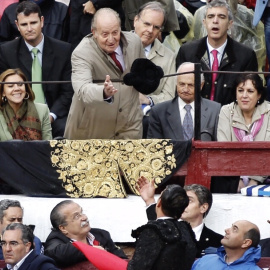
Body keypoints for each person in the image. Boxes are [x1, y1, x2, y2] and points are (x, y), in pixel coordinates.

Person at [64, 8, 145, 140]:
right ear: (94, 33)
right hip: (92, 130)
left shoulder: (135, 42)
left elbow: (142, 72)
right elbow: (83, 89)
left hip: (129, 127)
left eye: (115, 32)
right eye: (105, 34)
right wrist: (103, 92)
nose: (111, 39)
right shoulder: (81, 53)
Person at [0, 1, 73, 138]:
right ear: (17, 26)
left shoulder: (63, 50)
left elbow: (68, 91)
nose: (29, 28)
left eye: (33, 23)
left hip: (54, 115)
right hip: (17, 114)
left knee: (66, 131)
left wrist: (50, 116)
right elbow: (4, 90)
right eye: (24, 24)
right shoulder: (6, 51)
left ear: (42, 21)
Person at [176, 0, 258, 106]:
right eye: (210, 16)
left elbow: (250, 97)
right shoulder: (187, 52)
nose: (215, 21)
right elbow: (178, 93)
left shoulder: (246, 56)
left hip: (230, 117)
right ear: (204, 23)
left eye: (221, 17)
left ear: (230, 24)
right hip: (195, 116)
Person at [137, 176, 223, 257]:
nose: (183, 204)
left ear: (203, 208)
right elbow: (159, 225)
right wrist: (150, 200)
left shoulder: (219, 242)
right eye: (181, 200)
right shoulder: (169, 229)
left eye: (189, 200)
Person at [217, 73, 270, 191]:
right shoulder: (226, 111)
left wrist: (255, 179)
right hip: (231, 177)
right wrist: (238, 179)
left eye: (250, 91)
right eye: (240, 90)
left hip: (265, 177)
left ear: (259, 95)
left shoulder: (269, 112)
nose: (244, 96)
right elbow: (224, 149)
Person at [128, 184, 197, 270]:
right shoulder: (186, 229)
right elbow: (163, 227)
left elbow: (138, 267)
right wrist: (150, 201)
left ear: (159, 202)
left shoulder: (151, 231)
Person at [147, 62, 221, 141]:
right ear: (176, 83)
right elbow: (154, 149)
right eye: (182, 84)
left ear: (201, 85)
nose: (185, 89)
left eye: (190, 85)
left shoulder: (215, 110)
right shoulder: (159, 112)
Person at [44, 200, 127, 267]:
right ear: (63, 228)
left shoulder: (102, 235)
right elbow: (55, 254)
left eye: (82, 213)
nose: (84, 217)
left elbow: (123, 260)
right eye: (76, 216)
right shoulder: (55, 240)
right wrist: (92, 251)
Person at [0, 68, 52, 141]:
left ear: (26, 87)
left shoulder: (42, 109)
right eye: (10, 86)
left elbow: (48, 144)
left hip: (37, 152)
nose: (16, 88)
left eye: (20, 84)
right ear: (3, 92)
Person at [191, 220, 261, 269]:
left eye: (235, 229)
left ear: (246, 243)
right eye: (231, 227)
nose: (226, 230)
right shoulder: (204, 260)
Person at [0, 0, 69, 43]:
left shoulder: (62, 10)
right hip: (18, 63)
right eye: (24, 24)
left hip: (54, 62)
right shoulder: (10, 11)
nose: (29, 29)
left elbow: (69, 44)